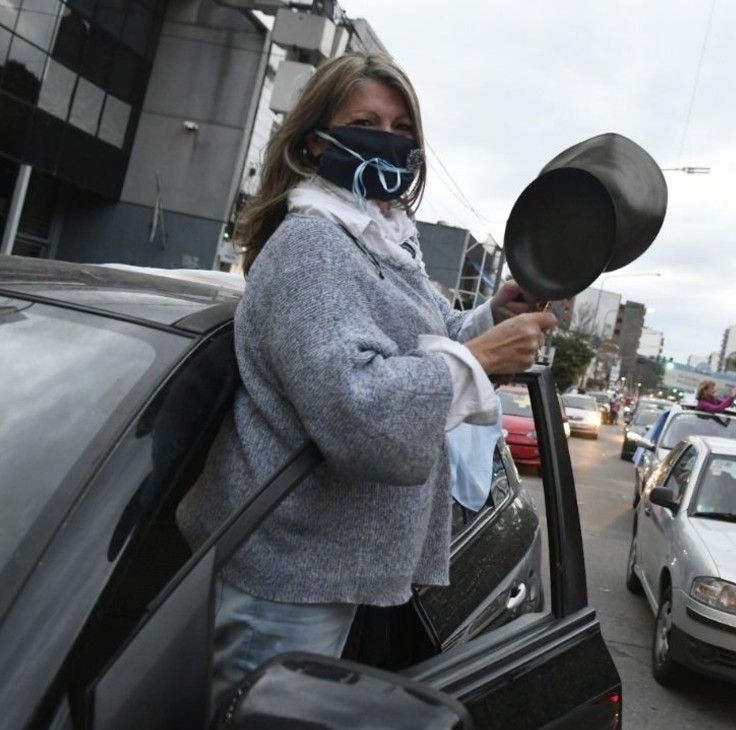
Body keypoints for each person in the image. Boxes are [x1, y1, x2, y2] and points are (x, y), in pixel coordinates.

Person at [174, 52, 556, 701]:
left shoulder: (379, 242)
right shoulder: (311, 247)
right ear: (317, 141)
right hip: (290, 583)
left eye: (403, 126)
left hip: (340, 574)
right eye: (368, 121)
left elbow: (433, 336)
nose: (390, 137)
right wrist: (485, 358)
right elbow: (361, 412)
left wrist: (491, 317)